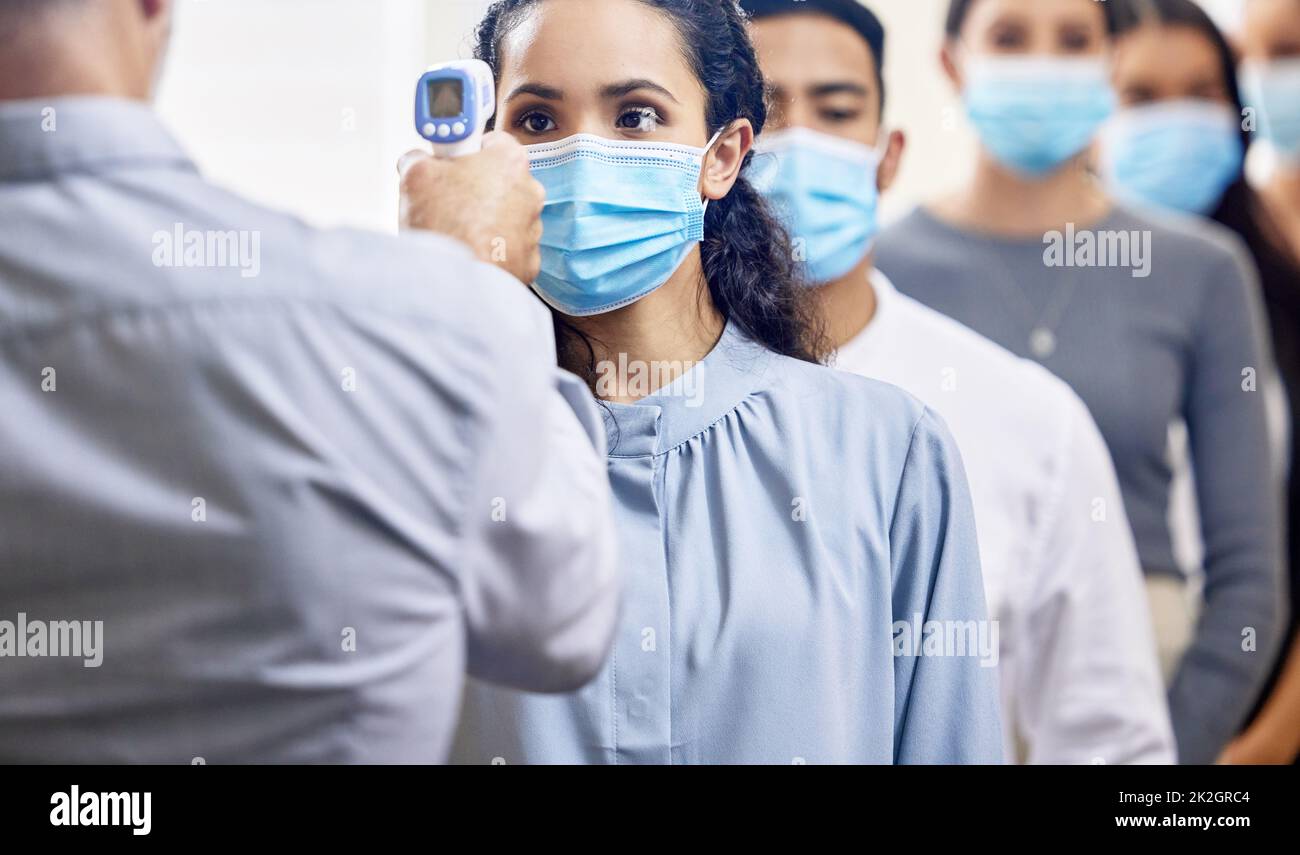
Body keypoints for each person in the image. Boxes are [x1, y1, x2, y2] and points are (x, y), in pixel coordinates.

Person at [0, 0, 621, 763]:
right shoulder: (385, 327)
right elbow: (561, 619)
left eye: (632, 117)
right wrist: (473, 290)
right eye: (535, 120)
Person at [452, 0, 1002, 765]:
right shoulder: (438, 451)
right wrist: (440, 301)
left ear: (724, 154)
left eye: (636, 115)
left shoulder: (886, 453)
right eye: (538, 122)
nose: (582, 152)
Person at [742, 0, 1174, 764]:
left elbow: (1110, 743)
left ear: (889, 154)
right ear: (716, 152)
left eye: (837, 110)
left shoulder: (1028, 419)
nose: (801, 141)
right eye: (767, 114)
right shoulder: (632, 402)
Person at [874, 0, 1286, 765]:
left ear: (1113, 58)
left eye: (1072, 39)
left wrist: (1164, 758)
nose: (1041, 62)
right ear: (950, 61)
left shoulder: (1201, 270)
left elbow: (1249, 578)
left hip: (1148, 681)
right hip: (925, 675)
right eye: (1009, 36)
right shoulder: (877, 268)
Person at [1103, 0, 1300, 765]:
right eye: (1141, 97)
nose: (1175, 121)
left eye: (1201, 93)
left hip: (1255, 725)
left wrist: (1262, 743)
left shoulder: (1270, 289)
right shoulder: (1049, 285)